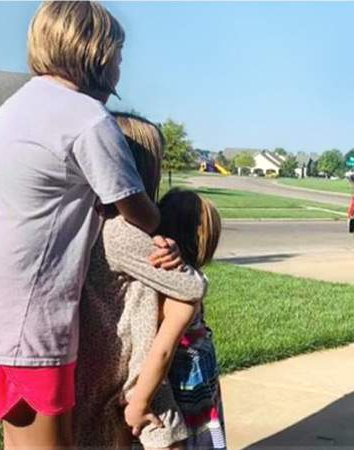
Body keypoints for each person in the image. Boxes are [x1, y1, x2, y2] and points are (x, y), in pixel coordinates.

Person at [0, 2, 179, 447]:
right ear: (96, 55)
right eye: (119, 58)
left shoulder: (12, 112)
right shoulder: (84, 119)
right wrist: (162, 223)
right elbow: (136, 208)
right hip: (33, 322)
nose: (120, 70)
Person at [74, 113, 207, 449]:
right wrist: (180, 260)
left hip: (98, 367)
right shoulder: (121, 231)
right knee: (165, 435)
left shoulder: (95, 220)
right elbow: (192, 287)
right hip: (127, 375)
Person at [158, 188, 227, 450]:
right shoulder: (189, 281)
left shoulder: (177, 283)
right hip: (191, 373)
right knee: (200, 435)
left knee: (189, 435)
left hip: (186, 376)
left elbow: (163, 350)